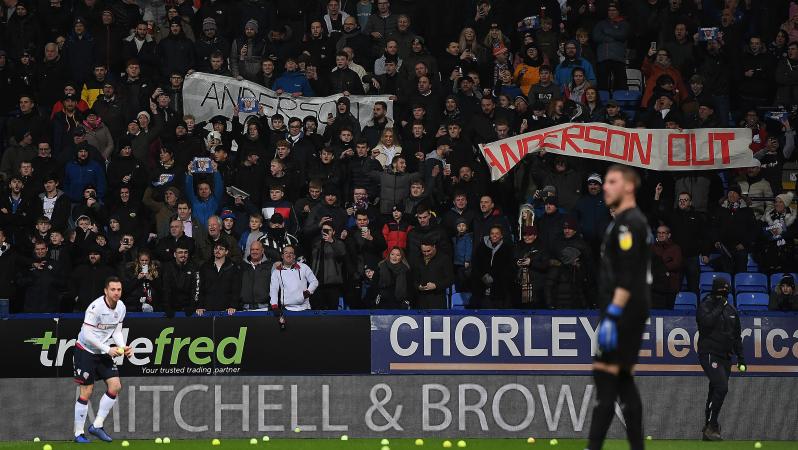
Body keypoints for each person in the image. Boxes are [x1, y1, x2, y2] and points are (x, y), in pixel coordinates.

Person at [588, 164, 652, 450]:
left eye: (612, 181)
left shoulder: (629, 224)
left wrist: (613, 315)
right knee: (621, 380)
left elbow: (627, 275)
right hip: (625, 309)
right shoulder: (624, 222)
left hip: (623, 311)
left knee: (606, 378)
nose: (605, 186)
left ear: (628, 187)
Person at [71, 276, 130, 443]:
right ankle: (78, 434)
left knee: (115, 386)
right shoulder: (95, 307)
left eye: (119, 289)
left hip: (103, 350)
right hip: (85, 349)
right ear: (106, 291)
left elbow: (116, 331)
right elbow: (88, 335)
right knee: (87, 391)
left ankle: (97, 425)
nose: (116, 292)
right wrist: (108, 349)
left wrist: (123, 347)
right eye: (113, 289)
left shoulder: (121, 307)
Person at [696, 278, 746, 441]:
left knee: (715, 390)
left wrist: (741, 358)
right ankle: (712, 425)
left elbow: (736, 336)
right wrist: (719, 306)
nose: (723, 295)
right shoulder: (706, 305)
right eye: (720, 291)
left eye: (725, 292)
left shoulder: (732, 310)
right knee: (721, 387)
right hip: (709, 352)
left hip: (726, 356)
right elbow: (706, 322)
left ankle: (708, 427)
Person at [270, 245, 319, 312]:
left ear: (294, 256)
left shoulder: (304, 267)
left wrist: (307, 293)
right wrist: (274, 306)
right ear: (282, 256)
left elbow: (314, 281)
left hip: (305, 308)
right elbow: (274, 290)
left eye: (291, 253)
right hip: (286, 309)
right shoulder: (277, 271)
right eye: (286, 253)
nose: (288, 255)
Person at [196, 241, 240, 316]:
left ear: (226, 252)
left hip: (227, 310)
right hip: (207, 309)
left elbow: (236, 289)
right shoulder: (205, 267)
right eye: (216, 248)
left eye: (221, 249)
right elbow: (201, 287)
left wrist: (233, 306)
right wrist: (200, 306)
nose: (217, 250)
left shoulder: (233, 267)